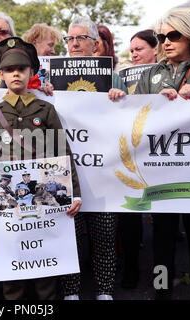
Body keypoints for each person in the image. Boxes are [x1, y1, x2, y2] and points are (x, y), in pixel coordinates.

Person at [0, 36, 82, 300]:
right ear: (1, 74)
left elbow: (63, 151)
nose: (16, 74)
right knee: (14, 258)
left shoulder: (45, 109)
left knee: (44, 257)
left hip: (43, 193)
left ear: (31, 72)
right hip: (10, 196)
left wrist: (75, 192)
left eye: (22, 69)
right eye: (10, 70)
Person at [133, 11, 190, 300]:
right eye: (162, 37)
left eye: (173, 35)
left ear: (189, 36)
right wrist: (127, 99)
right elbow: (134, 119)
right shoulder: (150, 74)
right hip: (162, 173)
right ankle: (162, 292)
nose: (166, 42)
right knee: (162, 242)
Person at [65, 15, 121, 300]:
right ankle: (71, 291)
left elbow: (128, 109)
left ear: (94, 43)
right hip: (68, 169)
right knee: (69, 233)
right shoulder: (53, 73)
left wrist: (119, 94)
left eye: (80, 38)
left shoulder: (112, 74)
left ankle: (104, 291)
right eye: (70, 39)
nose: (74, 43)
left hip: (103, 168)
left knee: (104, 233)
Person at [117, 29, 158, 290]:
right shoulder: (120, 77)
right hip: (132, 153)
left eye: (139, 49)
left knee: (164, 220)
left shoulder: (166, 74)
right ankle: (131, 268)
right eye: (131, 50)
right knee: (131, 214)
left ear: (155, 50)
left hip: (158, 152)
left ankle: (162, 274)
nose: (133, 54)